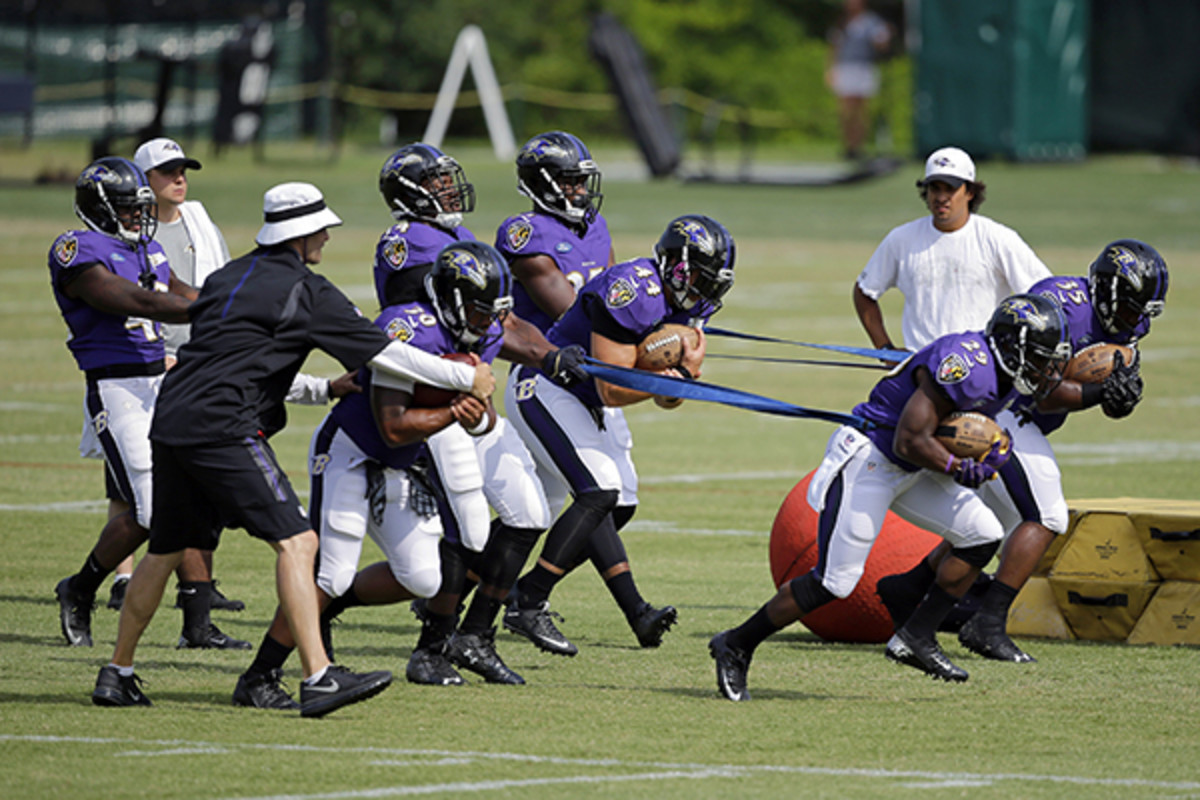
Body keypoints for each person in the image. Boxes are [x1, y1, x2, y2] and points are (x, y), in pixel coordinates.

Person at [90, 182, 495, 717]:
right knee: (300, 544)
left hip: (172, 419)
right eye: (321, 228)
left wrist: (325, 389)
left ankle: (116, 673)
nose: (327, 235)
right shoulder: (308, 291)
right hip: (224, 428)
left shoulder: (227, 276)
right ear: (302, 235)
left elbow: (237, 359)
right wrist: (466, 378)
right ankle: (318, 676)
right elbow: (388, 357)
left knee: (164, 551)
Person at [709, 293, 1072, 700]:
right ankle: (736, 643)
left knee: (983, 533)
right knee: (836, 582)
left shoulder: (1001, 374)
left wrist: (983, 455)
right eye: (1041, 358)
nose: (1047, 370)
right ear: (1013, 347)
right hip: (872, 459)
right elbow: (908, 439)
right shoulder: (968, 366)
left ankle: (916, 636)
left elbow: (948, 430)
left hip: (912, 468)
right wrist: (957, 468)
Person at [231, 240, 511, 707]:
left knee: (425, 578)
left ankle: (326, 611)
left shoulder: (480, 337)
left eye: (495, 313)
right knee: (330, 573)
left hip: (398, 465)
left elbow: (483, 420)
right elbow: (394, 426)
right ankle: (259, 676)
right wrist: (452, 410)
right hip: (352, 450)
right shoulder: (407, 329)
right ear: (453, 300)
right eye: (482, 311)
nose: (489, 324)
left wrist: (474, 412)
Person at [876, 240, 1168, 663]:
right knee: (1046, 516)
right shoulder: (1059, 306)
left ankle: (909, 588)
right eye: (1131, 307)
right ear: (1107, 292)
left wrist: (1118, 396)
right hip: (1004, 412)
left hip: (1027, 419)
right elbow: (1044, 394)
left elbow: (1102, 394)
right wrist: (1097, 390)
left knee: (1000, 522)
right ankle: (987, 622)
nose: (1135, 320)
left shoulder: (1127, 326)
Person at [504, 214, 736, 657]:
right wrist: (678, 375)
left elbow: (668, 397)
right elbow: (612, 388)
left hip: (585, 399)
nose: (707, 292)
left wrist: (676, 382)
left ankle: (632, 611)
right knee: (599, 493)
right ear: (677, 265)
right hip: (548, 389)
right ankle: (528, 600)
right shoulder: (631, 292)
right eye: (702, 279)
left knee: (618, 503)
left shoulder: (690, 308)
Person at [48, 156, 246, 651]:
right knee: (155, 510)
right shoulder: (78, 250)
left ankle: (197, 626)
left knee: (192, 498)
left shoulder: (147, 247)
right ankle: (81, 587)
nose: (139, 215)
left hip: (163, 382)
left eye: (140, 206)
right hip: (118, 390)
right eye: (127, 207)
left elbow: (179, 290)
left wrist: (234, 298)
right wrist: (210, 308)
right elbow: (136, 301)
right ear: (99, 208)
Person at [853, 146, 1052, 355]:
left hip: (981, 367)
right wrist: (885, 350)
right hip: (922, 367)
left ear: (970, 192)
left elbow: (1044, 294)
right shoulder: (900, 239)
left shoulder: (998, 238)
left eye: (950, 189)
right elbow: (864, 291)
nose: (941, 197)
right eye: (935, 188)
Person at [825, 0, 892, 161]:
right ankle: (848, 145)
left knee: (861, 110)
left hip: (864, 67)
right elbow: (834, 47)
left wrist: (884, 38)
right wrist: (830, 69)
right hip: (846, 68)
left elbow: (882, 45)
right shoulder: (842, 22)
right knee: (845, 110)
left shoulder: (871, 22)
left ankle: (859, 146)